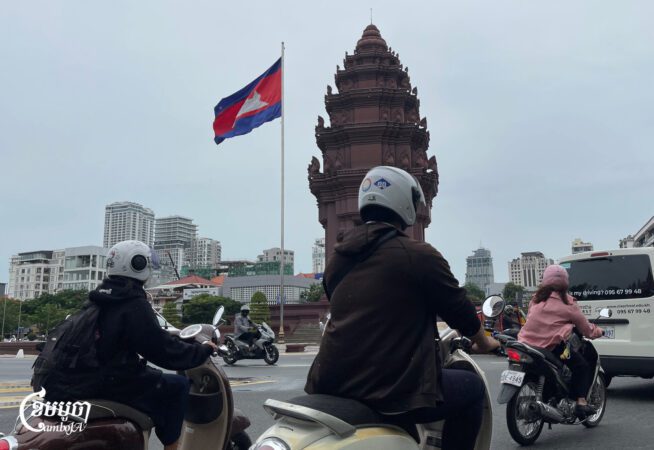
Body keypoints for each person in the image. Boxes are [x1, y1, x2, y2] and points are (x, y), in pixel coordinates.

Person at [305, 166, 500, 450]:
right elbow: (458, 308)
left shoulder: (338, 258)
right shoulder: (417, 255)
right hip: (388, 385)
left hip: (330, 380)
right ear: (404, 203)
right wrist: (483, 340)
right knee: (472, 390)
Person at [90, 240, 217, 450]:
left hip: (88, 377)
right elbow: (163, 352)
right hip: (112, 381)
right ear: (138, 265)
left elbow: (150, 337)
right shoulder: (132, 303)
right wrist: (201, 351)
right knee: (177, 386)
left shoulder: (100, 298)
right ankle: (172, 446)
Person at [518, 264, 604, 418]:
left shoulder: (535, 300)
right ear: (565, 283)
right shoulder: (569, 304)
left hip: (526, 344)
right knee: (582, 366)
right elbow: (587, 330)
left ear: (544, 281)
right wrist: (599, 331)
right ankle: (581, 401)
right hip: (553, 347)